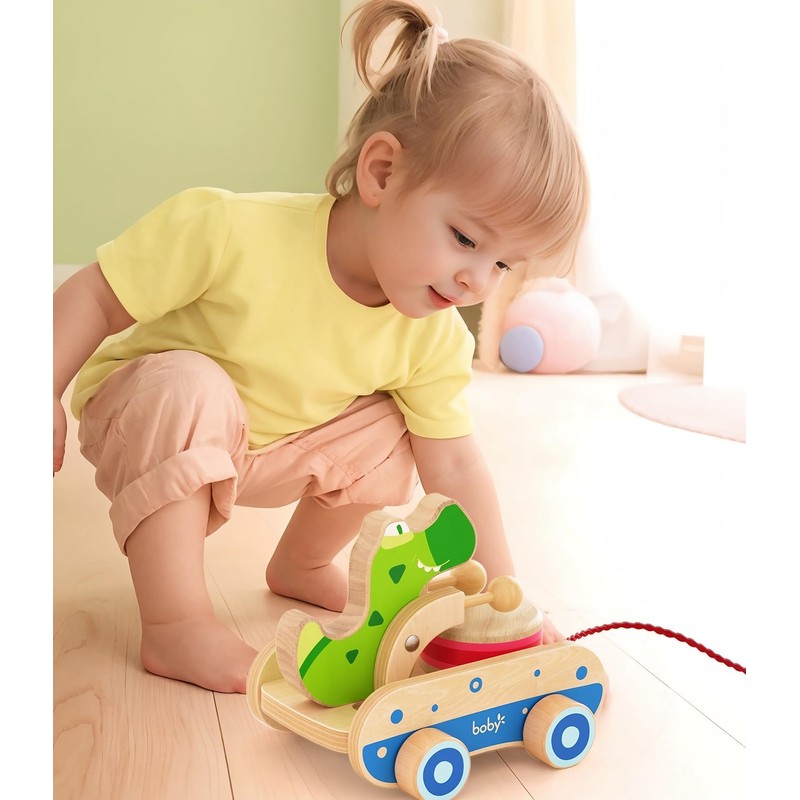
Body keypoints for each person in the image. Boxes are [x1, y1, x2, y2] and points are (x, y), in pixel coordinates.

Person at [53, 0, 588, 694]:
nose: (477, 282)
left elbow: (455, 467)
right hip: (151, 420)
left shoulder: (431, 334)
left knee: (403, 430)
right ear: (382, 172)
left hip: (270, 447)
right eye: (465, 239)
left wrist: (502, 606)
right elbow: (96, 296)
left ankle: (300, 566)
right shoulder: (230, 231)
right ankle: (176, 622)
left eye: (503, 265)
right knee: (190, 386)